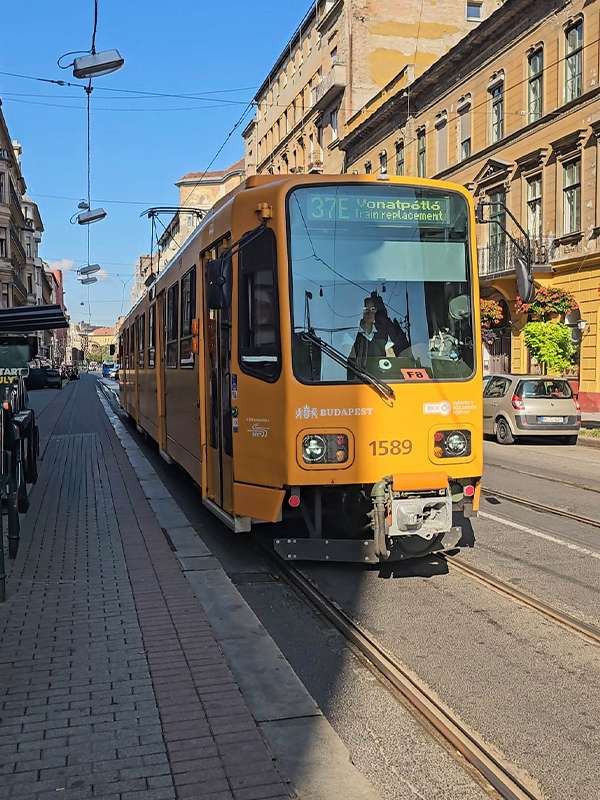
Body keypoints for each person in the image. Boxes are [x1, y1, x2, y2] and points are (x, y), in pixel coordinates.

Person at [349, 292, 409, 369]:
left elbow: (405, 358)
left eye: (372, 309)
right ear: (362, 313)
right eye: (366, 309)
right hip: (358, 375)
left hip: (383, 375)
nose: (369, 313)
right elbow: (349, 363)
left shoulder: (387, 335)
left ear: (376, 313)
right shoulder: (352, 335)